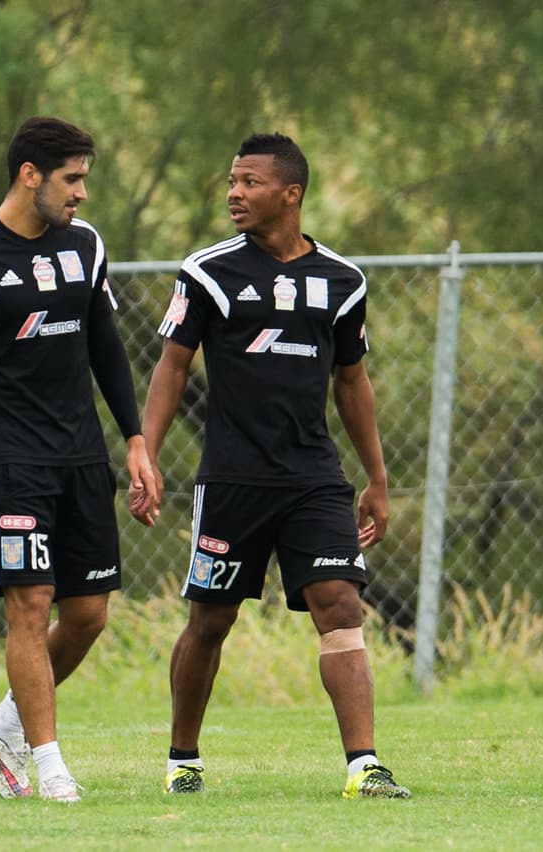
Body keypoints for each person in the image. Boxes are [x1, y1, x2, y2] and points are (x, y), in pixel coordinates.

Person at [136, 132, 410, 799]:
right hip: (231, 478)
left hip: (314, 478)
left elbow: (352, 382)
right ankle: (183, 760)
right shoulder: (208, 272)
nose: (234, 193)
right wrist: (143, 450)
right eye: (232, 181)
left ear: (291, 194)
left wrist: (376, 478)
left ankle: (364, 766)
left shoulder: (342, 281)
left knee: (341, 603)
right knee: (211, 619)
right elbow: (173, 366)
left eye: (250, 183)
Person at [0, 116, 159, 803]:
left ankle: (3, 721)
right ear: (31, 176)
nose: (82, 193)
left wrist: (136, 439)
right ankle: (45, 760)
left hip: (83, 453)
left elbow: (105, 344)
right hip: (10, 455)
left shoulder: (85, 246)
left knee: (88, 615)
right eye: (72, 179)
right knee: (29, 604)